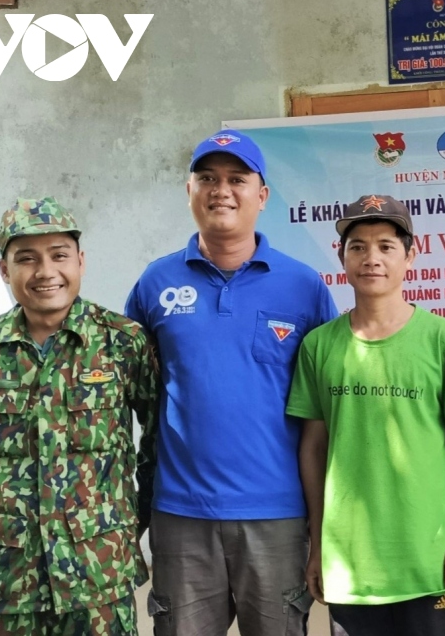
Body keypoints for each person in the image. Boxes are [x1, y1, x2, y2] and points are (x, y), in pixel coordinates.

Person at [124, 129, 337, 636]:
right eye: (207, 178)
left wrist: (323, 522)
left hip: (278, 514)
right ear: (189, 190)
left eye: (237, 179)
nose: (222, 190)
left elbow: (325, 413)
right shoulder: (155, 284)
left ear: (262, 196)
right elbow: (129, 389)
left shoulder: (303, 286)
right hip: (181, 515)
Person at [0, 197, 159, 634]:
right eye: (27, 259)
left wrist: (130, 523)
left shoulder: (122, 342)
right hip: (5, 575)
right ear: (3, 270)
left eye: (59, 255)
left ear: (81, 261)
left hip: (98, 575)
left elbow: (160, 442)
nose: (45, 272)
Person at [286, 194, 445, 636]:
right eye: (357, 246)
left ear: (410, 256)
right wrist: (318, 544)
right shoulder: (319, 346)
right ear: (341, 257)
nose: (371, 258)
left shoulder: (443, 339)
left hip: (430, 562)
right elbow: (314, 448)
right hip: (351, 567)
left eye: (385, 246)